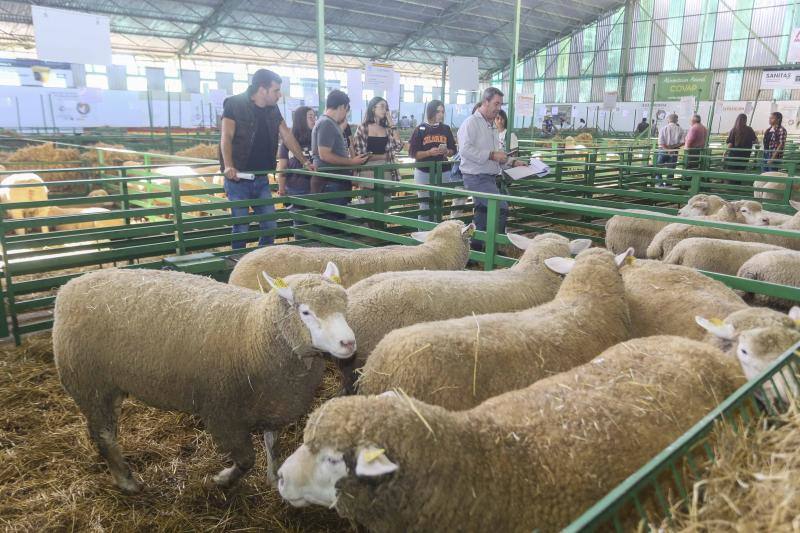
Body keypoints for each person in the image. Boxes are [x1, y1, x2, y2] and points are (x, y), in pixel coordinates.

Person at [220, 69, 313, 250]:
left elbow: (286, 135)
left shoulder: (272, 109)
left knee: (270, 223)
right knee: (241, 225)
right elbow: (226, 137)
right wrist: (229, 166)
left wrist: (304, 161)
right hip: (238, 177)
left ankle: (262, 259)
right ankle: (238, 262)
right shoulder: (235, 104)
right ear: (263, 89)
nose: (279, 95)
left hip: (261, 176)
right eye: (276, 90)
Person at [457, 87, 527, 249]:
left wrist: (512, 162)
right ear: (485, 102)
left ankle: (474, 250)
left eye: (501, 104)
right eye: (496, 104)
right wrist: (491, 155)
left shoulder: (492, 125)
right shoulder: (471, 123)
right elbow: (465, 150)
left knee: (482, 215)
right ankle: (495, 249)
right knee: (500, 208)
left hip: (488, 177)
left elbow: (497, 155)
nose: (499, 108)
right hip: (475, 177)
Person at [310, 90, 370, 214]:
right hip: (331, 182)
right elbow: (324, 154)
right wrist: (351, 162)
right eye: (346, 110)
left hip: (332, 182)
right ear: (343, 106)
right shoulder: (326, 123)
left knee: (333, 222)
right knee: (332, 222)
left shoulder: (328, 123)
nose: (346, 114)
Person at [409, 100, 459, 221]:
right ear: (431, 112)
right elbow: (413, 153)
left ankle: (437, 232)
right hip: (424, 171)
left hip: (443, 171)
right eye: (438, 111)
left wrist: (446, 152)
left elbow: (453, 150)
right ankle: (424, 234)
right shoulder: (420, 129)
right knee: (425, 205)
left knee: (438, 204)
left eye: (442, 111)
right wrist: (428, 153)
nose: (441, 114)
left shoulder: (446, 129)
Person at [353, 96, 405, 184]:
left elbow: (398, 146)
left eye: (386, 108)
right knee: (369, 197)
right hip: (367, 171)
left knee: (386, 197)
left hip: (386, 171)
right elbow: (360, 155)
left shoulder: (387, 129)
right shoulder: (363, 128)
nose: (385, 110)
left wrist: (391, 122)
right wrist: (383, 156)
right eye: (382, 106)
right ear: (373, 108)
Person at [276, 106, 316, 222]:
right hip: (296, 189)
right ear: (301, 119)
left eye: (314, 117)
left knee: (314, 222)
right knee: (300, 223)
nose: (314, 120)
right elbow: (282, 167)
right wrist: (282, 189)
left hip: (315, 189)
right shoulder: (288, 143)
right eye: (310, 117)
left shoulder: (316, 140)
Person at [654, 113, 683, 188]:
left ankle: (659, 184)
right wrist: (672, 148)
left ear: (668, 120)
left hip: (663, 150)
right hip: (674, 151)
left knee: (658, 167)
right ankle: (669, 184)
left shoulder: (663, 128)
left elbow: (661, 142)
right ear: (677, 120)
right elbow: (683, 142)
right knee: (671, 168)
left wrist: (667, 149)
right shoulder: (680, 129)